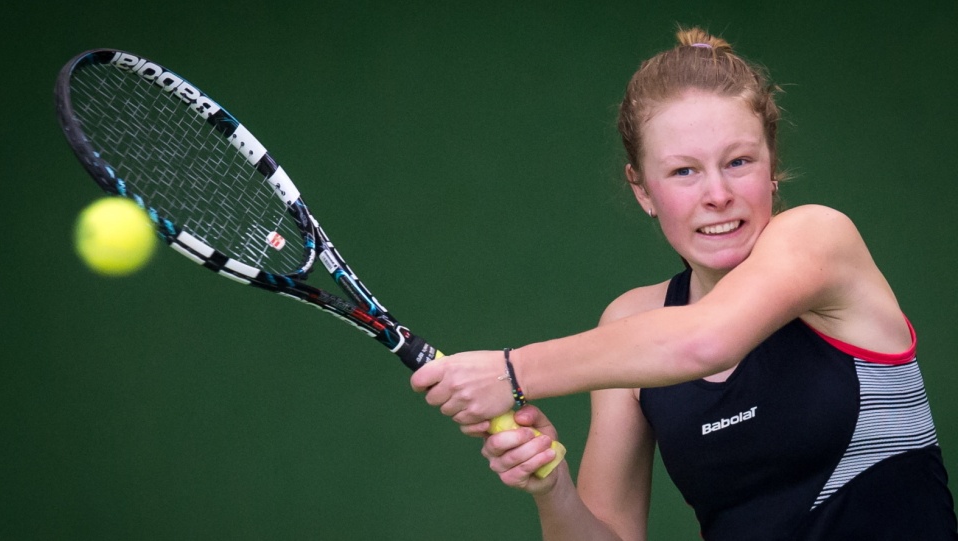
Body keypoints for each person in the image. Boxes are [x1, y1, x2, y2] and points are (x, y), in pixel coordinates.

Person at [410, 26, 958, 541]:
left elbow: (705, 340)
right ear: (642, 190)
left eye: (738, 161)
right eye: (684, 171)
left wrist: (512, 371)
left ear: (772, 167)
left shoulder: (820, 238)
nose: (716, 194)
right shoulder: (630, 325)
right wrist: (553, 489)